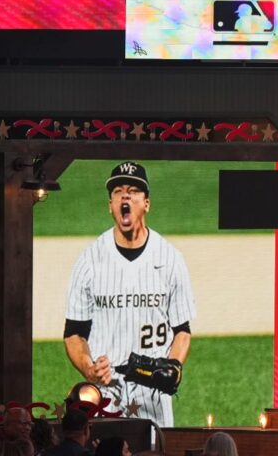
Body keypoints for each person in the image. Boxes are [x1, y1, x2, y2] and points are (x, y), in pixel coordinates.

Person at [63, 163, 196, 427]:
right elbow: (74, 333)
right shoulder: (89, 260)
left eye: (134, 191)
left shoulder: (170, 258)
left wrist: (173, 366)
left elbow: (182, 330)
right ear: (110, 205)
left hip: (153, 391)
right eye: (118, 191)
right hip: (105, 390)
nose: (125, 196)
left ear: (146, 203)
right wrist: (88, 368)